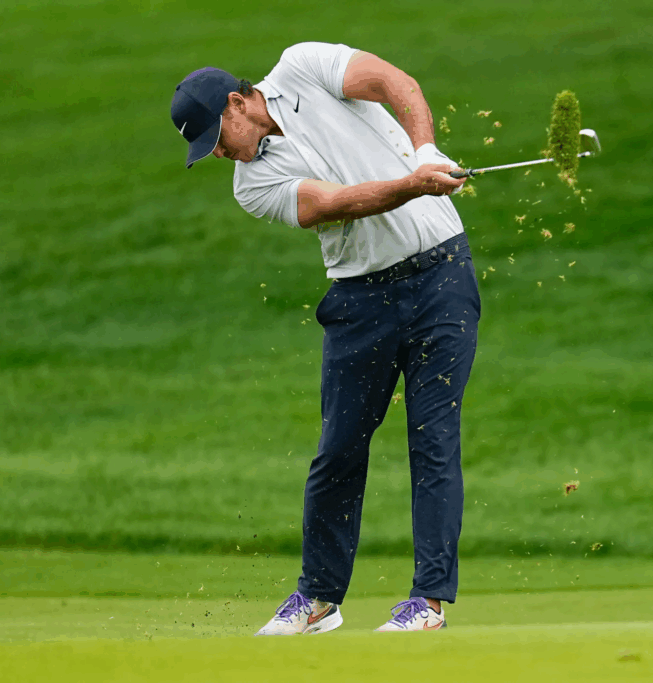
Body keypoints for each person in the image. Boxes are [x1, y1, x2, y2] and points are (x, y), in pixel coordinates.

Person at [170, 42, 480, 634]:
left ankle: (428, 602)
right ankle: (317, 600)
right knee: (338, 448)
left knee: (432, 436)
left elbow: (394, 81)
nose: (217, 152)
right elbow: (331, 205)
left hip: (442, 274)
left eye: (216, 136)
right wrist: (413, 183)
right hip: (360, 298)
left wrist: (426, 151)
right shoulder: (249, 185)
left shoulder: (304, 66)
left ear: (238, 103)